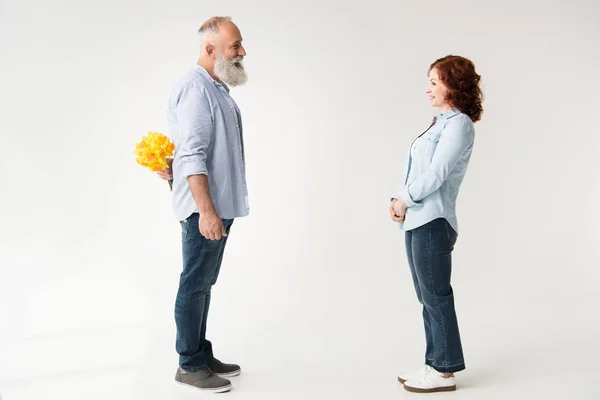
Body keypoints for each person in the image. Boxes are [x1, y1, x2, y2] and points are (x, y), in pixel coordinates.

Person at [158, 16, 249, 393]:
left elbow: (185, 151)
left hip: (216, 205)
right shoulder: (196, 89)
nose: (242, 52)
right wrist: (207, 212)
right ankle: (189, 363)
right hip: (204, 208)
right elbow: (193, 155)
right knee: (194, 283)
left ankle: (200, 352)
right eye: (235, 46)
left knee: (203, 283)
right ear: (211, 50)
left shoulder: (215, 87)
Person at [390, 55, 483, 393]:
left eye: (434, 81)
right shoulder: (439, 122)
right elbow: (416, 170)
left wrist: (405, 199)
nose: (427, 88)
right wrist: (398, 199)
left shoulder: (458, 124)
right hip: (418, 219)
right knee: (426, 295)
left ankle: (444, 371)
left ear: (453, 86)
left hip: (434, 220)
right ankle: (434, 362)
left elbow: (437, 173)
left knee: (436, 296)